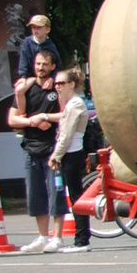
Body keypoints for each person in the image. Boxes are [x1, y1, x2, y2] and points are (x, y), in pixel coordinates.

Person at [6, 50, 63, 252]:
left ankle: (57, 237)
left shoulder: (57, 88)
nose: (40, 67)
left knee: (56, 193)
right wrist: (33, 120)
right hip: (31, 148)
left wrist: (46, 117)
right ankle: (42, 237)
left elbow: (67, 113)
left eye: (45, 64)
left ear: (53, 66)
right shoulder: (26, 88)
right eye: (38, 64)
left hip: (53, 150)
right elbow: (12, 119)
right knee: (35, 194)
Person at [48, 67, 91, 253]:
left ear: (71, 84)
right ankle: (81, 239)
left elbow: (66, 135)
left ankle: (82, 240)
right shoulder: (70, 103)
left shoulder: (75, 104)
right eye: (56, 84)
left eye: (61, 83)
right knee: (75, 196)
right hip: (70, 153)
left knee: (76, 198)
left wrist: (56, 155)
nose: (58, 87)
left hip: (72, 154)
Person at [16, 15, 60, 83]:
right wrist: (23, 76)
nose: (35, 30)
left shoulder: (51, 46)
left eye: (39, 27)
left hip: (46, 78)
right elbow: (23, 60)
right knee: (19, 89)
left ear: (47, 30)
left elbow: (58, 64)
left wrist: (52, 78)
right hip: (30, 77)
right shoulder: (27, 42)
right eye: (33, 27)